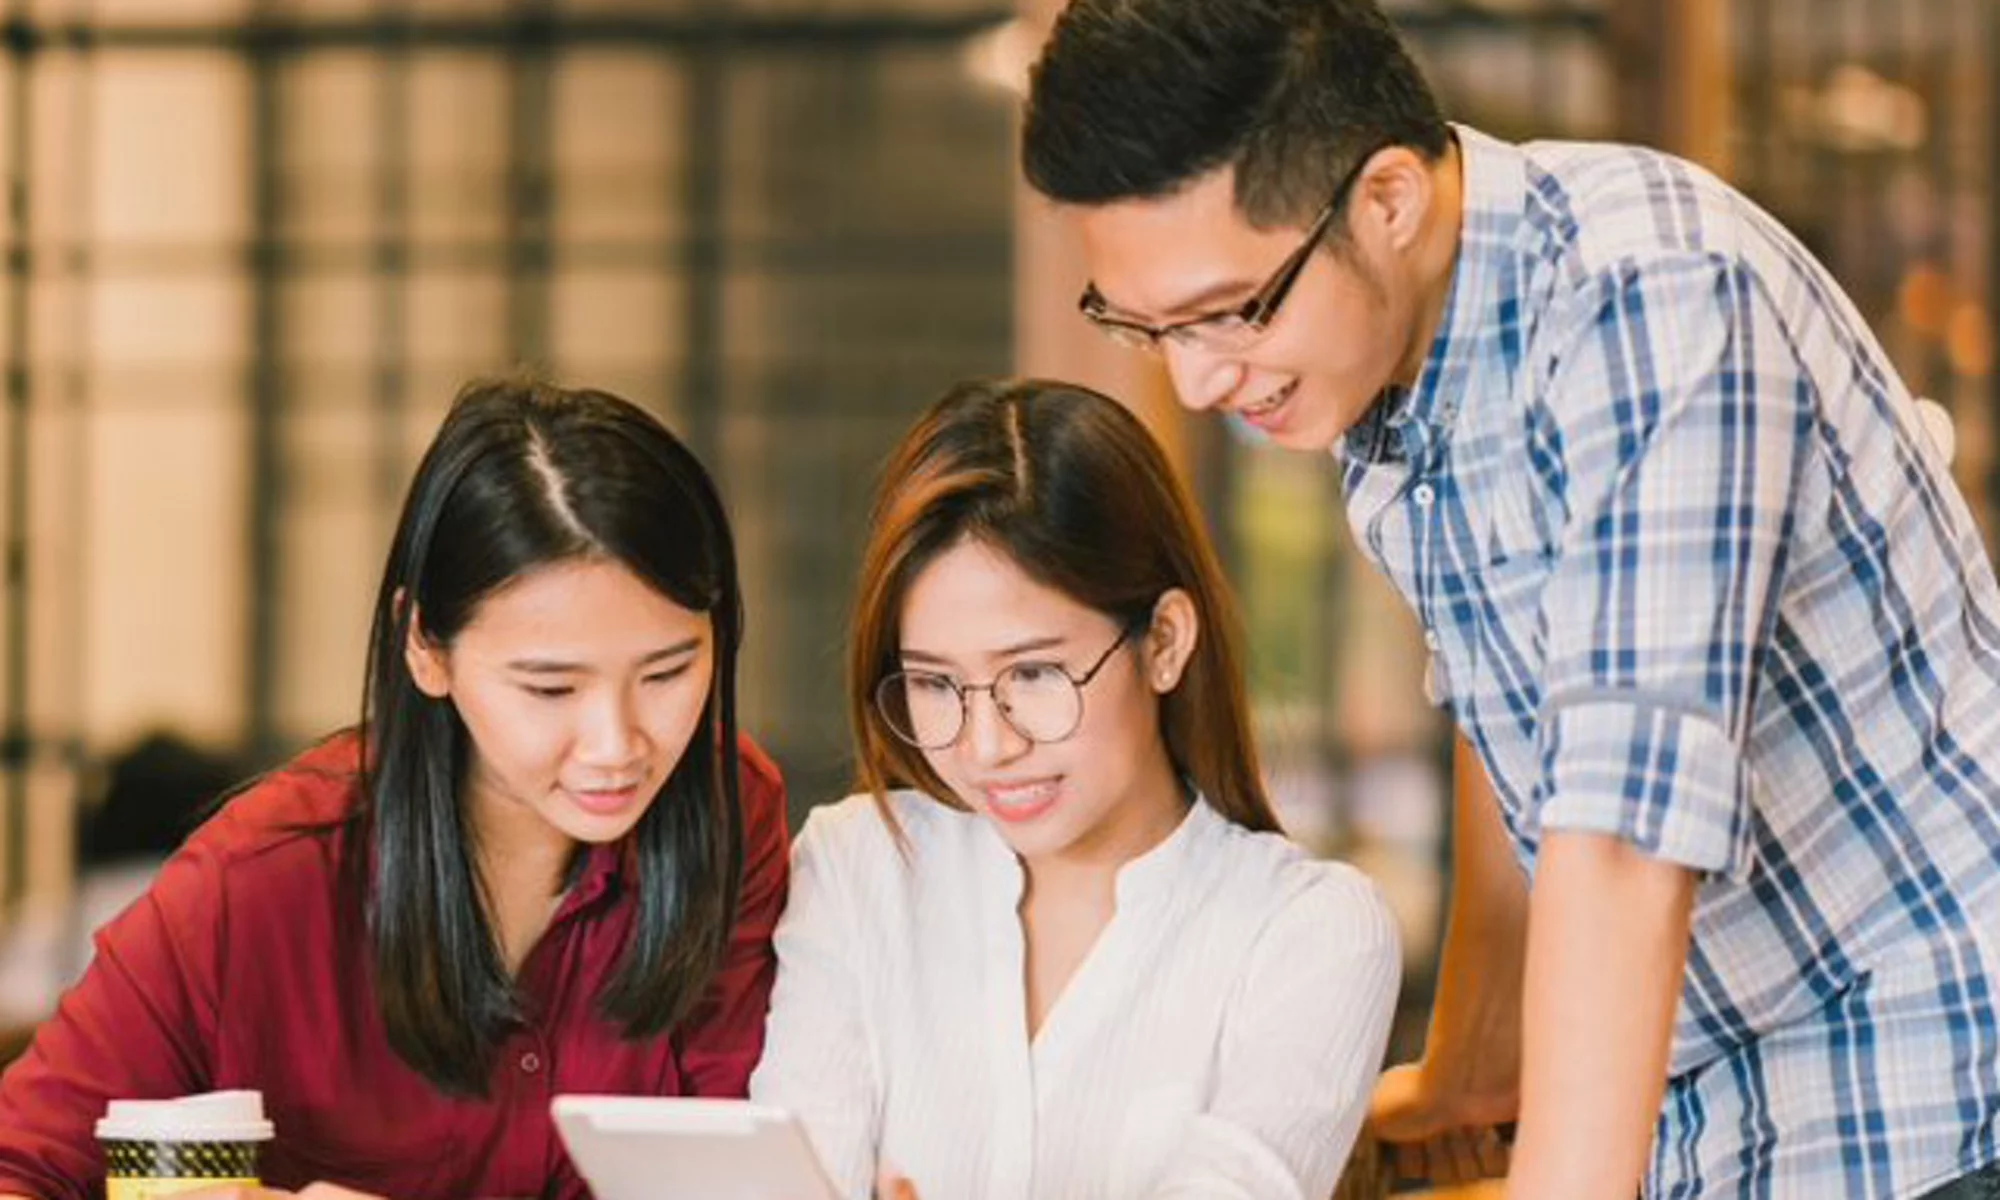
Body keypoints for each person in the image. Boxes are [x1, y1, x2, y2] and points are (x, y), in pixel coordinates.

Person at [1019, 2, 2000, 1198]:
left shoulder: (1646, 298)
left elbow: (1625, 829)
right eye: (1143, 325)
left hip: (1927, 1088)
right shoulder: (1389, 370)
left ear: (1384, 200)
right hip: (1726, 1118)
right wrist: (1476, 1063)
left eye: (1230, 309)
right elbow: (1515, 731)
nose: (1196, 376)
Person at [0, 379, 789, 1200]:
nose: (617, 744)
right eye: (551, 689)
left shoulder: (728, 812)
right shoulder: (264, 878)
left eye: (669, 671)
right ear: (425, 648)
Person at [749, 378, 1400, 1200]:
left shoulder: (1307, 932)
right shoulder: (858, 866)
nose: (989, 745)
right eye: (934, 684)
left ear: (1163, 642)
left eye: (1034, 673)